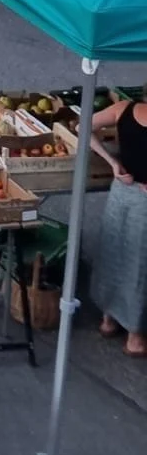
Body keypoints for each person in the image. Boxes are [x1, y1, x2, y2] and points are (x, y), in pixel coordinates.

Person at [88, 89, 147, 357]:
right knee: (139, 264)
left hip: (121, 190)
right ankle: (135, 336)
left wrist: (112, 162)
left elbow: (82, 127)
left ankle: (108, 320)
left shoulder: (124, 108)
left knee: (114, 252)